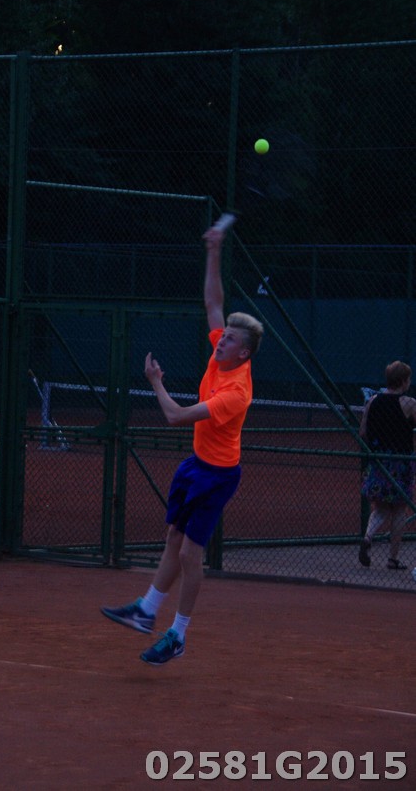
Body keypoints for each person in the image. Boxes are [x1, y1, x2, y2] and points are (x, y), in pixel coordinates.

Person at [101, 221, 264, 665]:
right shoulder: (221, 354)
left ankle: (178, 635)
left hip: (218, 475)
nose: (221, 339)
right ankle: (145, 610)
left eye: (230, 339)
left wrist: (155, 382)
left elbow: (174, 416)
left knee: (192, 553)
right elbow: (214, 302)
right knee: (174, 535)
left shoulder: (236, 392)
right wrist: (214, 249)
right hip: (196, 464)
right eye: (223, 335)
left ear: (243, 353)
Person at [358, 360, 416, 570]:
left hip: (379, 461)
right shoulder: (409, 403)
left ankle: (367, 537)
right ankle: (393, 558)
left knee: (381, 508)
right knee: (399, 509)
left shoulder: (373, 401)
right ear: (403, 381)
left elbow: (363, 432)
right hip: (401, 463)